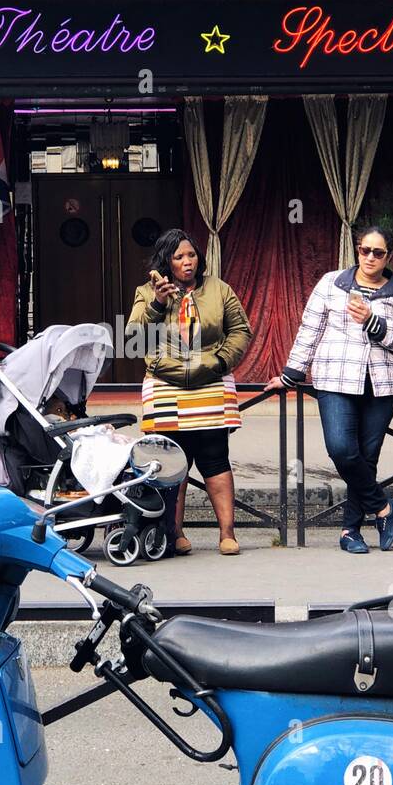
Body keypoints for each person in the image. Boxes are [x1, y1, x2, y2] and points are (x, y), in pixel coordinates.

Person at [267, 225, 393, 554]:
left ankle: (350, 531)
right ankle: (384, 508)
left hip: (381, 385)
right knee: (342, 450)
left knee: (367, 459)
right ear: (356, 250)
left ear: (389, 256)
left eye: (378, 252)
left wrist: (373, 321)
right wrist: (292, 373)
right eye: (364, 250)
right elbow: (310, 328)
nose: (370, 257)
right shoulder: (331, 283)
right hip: (335, 379)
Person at [126, 228, 252, 556]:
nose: (187, 262)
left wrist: (221, 360)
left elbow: (240, 330)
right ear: (166, 261)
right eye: (179, 256)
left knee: (215, 458)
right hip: (166, 387)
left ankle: (227, 533)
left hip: (211, 382)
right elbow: (133, 339)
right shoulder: (147, 292)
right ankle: (174, 533)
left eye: (191, 255)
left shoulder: (219, 290)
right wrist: (158, 303)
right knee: (173, 463)